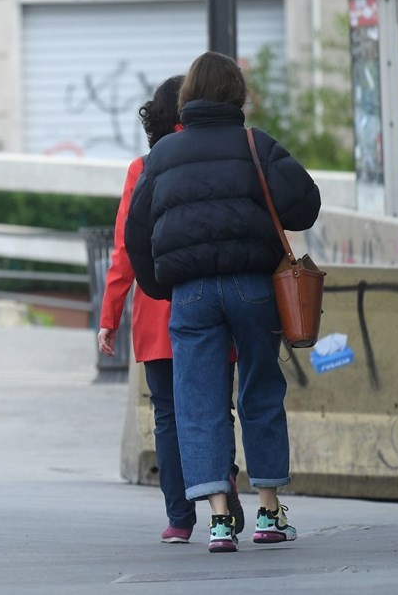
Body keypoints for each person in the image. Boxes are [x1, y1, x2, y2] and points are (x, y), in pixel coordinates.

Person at [125, 51, 321, 553]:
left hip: (190, 293)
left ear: (189, 96)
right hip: (253, 286)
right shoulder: (256, 146)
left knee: (198, 402)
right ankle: (270, 512)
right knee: (259, 391)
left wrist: (160, 287)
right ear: (237, 94)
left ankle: (216, 518)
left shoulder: (163, 156)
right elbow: (306, 204)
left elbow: (137, 232)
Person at [99, 76, 243, 544]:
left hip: (158, 310)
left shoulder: (143, 167)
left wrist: (109, 316)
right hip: (216, 303)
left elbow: (124, 250)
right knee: (216, 410)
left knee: (168, 415)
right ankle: (223, 486)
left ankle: (180, 519)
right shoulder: (225, 156)